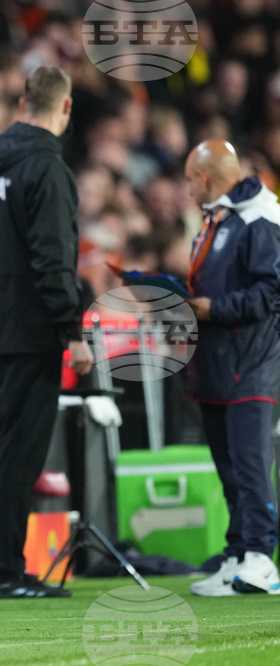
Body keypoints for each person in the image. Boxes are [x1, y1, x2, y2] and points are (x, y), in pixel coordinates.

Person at [0, 65, 93, 599]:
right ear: (66, 107)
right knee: (22, 452)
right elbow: (54, 259)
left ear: (23, 101)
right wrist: (72, 328)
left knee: (1, 448)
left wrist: (7, 260)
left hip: (0, 322)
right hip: (34, 328)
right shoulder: (47, 168)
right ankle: (4, 572)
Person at [182, 140, 280, 596]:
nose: (187, 188)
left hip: (252, 362)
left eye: (189, 179)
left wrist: (213, 309)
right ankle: (240, 553)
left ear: (204, 178)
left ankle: (262, 556)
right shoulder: (219, 219)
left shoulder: (261, 217)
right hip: (218, 364)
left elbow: (271, 294)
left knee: (251, 463)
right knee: (230, 469)